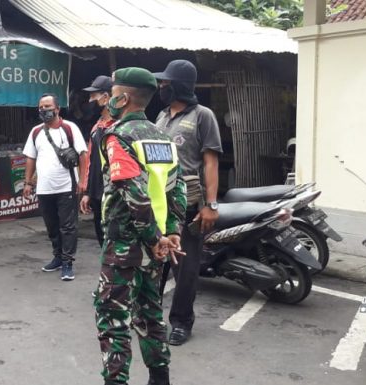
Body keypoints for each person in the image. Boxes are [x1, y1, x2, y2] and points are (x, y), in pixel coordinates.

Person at [94, 67, 186, 385]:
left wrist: (151, 237)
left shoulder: (119, 136)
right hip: (156, 242)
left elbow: (134, 193)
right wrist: (171, 232)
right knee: (149, 311)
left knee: (113, 316)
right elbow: (178, 189)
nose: (109, 99)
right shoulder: (163, 137)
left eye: (113, 93)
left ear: (125, 97)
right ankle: (160, 378)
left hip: (127, 242)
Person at [153, 59, 223, 347]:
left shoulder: (202, 116)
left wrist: (211, 205)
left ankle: (182, 322)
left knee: (185, 268)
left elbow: (210, 163)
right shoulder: (160, 116)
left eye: (166, 83)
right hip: (159, 204)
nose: (161, 87)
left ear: (180, 86)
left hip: (189, 205)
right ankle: (148, 314)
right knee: (155, 263)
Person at [22, 93, 88, 281]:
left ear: (57, 109)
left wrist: (83, 181)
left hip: (67, 186)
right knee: (51, 226)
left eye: (48, 106)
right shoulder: (36, 132)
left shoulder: (69, 128)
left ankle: (68, 262)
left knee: (68, 226)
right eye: (41, 107)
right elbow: (30, 158)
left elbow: (83, 155)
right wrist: (28, 182)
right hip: (44, 188)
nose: (44, 110)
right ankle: (58, 257)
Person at [79, 75, 115, 247]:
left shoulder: (119, 127)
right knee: (103, 240)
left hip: (114, 195)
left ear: (106, 97)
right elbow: (90, 162)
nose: (90, 100)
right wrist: (87, 192)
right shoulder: (97, 126)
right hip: (96, 194)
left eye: (94, 96)